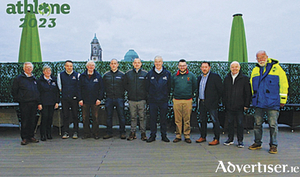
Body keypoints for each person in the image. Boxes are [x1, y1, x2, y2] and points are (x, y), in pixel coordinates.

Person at [249, 50, 289, 154]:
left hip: (273, 102)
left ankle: (273, 145)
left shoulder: (277, 68)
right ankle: (257, 143)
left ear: (267, 56)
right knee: (257, 124)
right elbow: (252, 87)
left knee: (273, 125)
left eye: (262, 57)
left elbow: (284, 84)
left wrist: (283, 99)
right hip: (259, 102)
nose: (260, 59)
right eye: (258, 58)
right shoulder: (255, 70)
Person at [12, 62, 42, 145]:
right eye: (27, 67)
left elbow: (37, 91)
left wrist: (38, 102)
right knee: (25, 120)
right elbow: (14, 90)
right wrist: (20, 99)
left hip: (34, 103)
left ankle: (31, 136)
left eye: (30, 67)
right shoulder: (19, 78)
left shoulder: (34, 78)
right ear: (24, 68)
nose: (29, 69)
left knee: (32, 120)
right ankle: (24, 138)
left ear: (32, 68)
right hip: (24, 103)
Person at [223, 61, 251, 148]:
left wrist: (246, 104)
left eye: (236, 67)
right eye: (232, 67)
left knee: (240, 124)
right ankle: (230, 139)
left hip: (240, 106)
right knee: (230, 123)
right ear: (230, 68)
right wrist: (224, 103)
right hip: (229, 106)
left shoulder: (245, 78)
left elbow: (248, 93)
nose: (234, 68)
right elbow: (224, 92)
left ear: (239, 68)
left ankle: (240, 141)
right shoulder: (227, 78)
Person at [195, 61, 223, 145]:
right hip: (202, 102)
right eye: (202, 67)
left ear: (209, 68)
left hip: (212, 104)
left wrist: (216, 101)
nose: (204, 68)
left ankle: (216, 139)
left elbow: (220, 90)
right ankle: (203, 136)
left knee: (214, 121)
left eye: (206, 67)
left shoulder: (215, 77)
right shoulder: (199, 77)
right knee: (202, 120)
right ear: (200, 68)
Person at [146, 56, 171, 143]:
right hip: (153, 101)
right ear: (154, 63)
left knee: (163, 119)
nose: (158, 63)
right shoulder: (150, 74)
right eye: (156, 62)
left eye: (159, 61)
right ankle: (152, 136)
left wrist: (165, 96)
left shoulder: (167, 74)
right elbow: (147, 87)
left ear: (162, 62)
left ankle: (164, 136)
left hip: (163, 101)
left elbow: (169, 87)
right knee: (152, 119)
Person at [171, 59, 197, 143]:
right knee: (177, 120)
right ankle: (178, 135)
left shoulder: (191, 76)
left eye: (184, 65)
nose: (182, 67)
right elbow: (172, 86)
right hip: (177, 100)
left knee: (187, 119)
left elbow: (194, 87)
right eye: (180, 65)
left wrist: (189, 94)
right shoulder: (174, 76)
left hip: (188, 100)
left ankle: (187, 135)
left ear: (186, 66)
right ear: (178, 66)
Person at [78, 61, 104, 139]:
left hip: (95, 101)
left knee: (95, 117)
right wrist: (80, 99)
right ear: (87, 67)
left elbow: (102, 88)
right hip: (84, 101)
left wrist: (99, 98)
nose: (91, 67)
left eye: (92, 65)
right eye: (89, 65)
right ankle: (86, 133)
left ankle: (95, 133)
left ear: (94, 67)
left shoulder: (98, 76)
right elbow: (78, 88)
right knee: (85, 118)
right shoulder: (82, 76)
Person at [124, 58, 148, 141]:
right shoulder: (128, 74)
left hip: (142, 99)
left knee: (142, 117)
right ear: (133, 64)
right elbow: (125, 86)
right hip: (132, 99)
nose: (137, 64)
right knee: (133, 117)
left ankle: (143, 133)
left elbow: (147, 87)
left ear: (141, 64)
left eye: (138, 63)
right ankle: (132, 133)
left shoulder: (145, 74)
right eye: (135, 63)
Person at [102, 59, 126, 139]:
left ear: (117, 65)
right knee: (108, 116)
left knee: (121, 116)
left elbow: (125, 86)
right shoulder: (106, 75)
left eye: (115, 63)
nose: (113, 65)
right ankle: (109, 132)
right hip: (109, 98)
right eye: (112, 63)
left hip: (119, 98)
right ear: (110, 65)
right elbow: (103, 87)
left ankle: (122, 132)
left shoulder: (122, 75)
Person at [57, 60, 80, 139]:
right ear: (65, 66)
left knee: (75, 115)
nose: (69, 67)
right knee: (65, 115)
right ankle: (65, 132)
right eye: (67, 66)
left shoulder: (77, 75)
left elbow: (78, 87)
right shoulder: (60, 75)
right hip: (65, 99)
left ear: (72, 67)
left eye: (70, 66)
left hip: (74, 99)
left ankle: (75, 131)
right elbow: (60, 88)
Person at [37, 65, 60, 141]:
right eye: (46, 71)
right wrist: (39, 103)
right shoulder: (40, 81)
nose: (48, 72)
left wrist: (57, 102)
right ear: (43, 72)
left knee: (50, 118)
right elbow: (38, 93)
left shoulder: (54, 80)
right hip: (43, 103)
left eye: (49, 71)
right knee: (44, 118)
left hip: (52, 102)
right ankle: (43, 134)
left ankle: (49, 133)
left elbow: (57, 92)